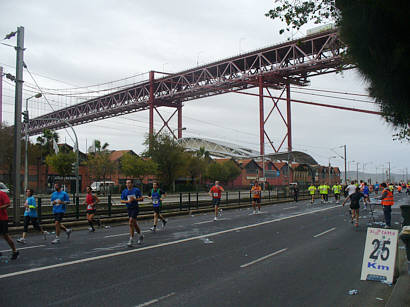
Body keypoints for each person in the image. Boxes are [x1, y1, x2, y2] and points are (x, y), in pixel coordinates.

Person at [121, 180, 144, 246]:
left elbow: (142, 199)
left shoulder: (136, 190)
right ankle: (140, 235)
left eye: (129, 183)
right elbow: (122, 200)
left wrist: (135, 199)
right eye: (126, 183)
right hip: (129, 208)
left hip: (135, 208)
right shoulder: (124, 191)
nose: (128, 184)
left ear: (132, 184)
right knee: (134, 223)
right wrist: (128, 201)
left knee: (130, 222)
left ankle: (131, 239)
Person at [0, 190, 19, 259]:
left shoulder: (2, 193)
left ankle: (15, 251)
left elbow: (8, 204)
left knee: (6, 236)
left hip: (2, 219)